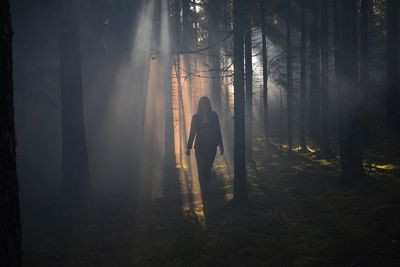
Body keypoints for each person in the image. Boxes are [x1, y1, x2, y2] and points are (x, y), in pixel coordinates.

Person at [186, 96, 224, 195]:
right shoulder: (196, 117)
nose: (204, 105)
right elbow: (192, 133)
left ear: (209, 105)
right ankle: (203, 189)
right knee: (200, 168)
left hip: (211, 147)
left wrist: (221, 144)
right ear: (200, 105)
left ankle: (205, 187)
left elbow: (218, 131)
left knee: (207, 168)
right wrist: (188, 147)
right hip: (199, 148)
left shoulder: (214, 116)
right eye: (203, 103)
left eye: (206, 103)